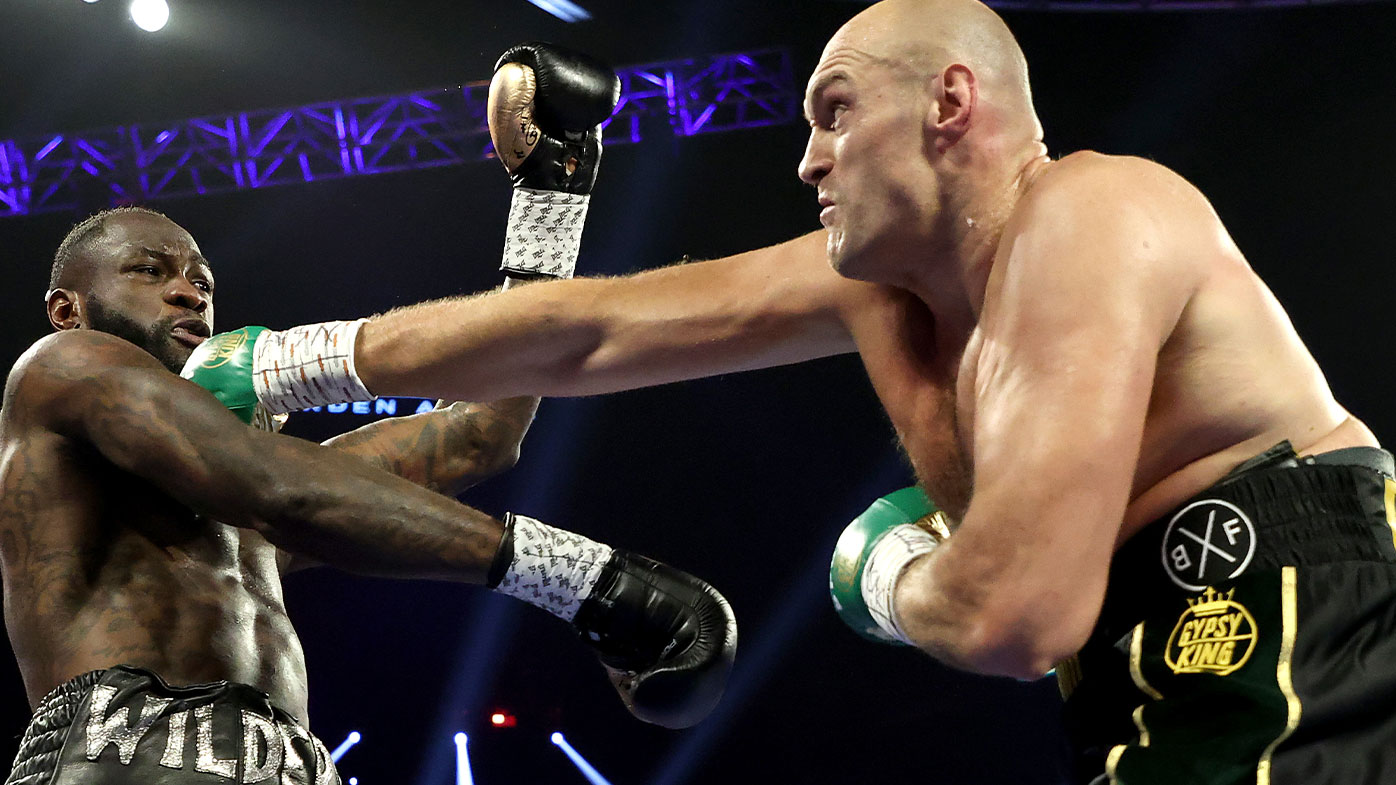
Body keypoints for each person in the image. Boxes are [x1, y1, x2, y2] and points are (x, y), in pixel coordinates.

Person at [189, 2, 1396, 782]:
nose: (807, 156)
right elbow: (588, 332)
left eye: (834, 112)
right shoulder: (883, 286)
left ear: (949, 104)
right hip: (1146, 683)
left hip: (1284, 607)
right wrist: (295, 356)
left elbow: (1010, 617)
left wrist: (883, 568)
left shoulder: (1094, 209)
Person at [0, 43, 737, 785]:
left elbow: (478, 431)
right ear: (70, 308)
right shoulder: (59, 370)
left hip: (289, 760)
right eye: (149, 271)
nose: (190, 293)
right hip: (122, 753)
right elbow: (270, 484)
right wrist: (584, 578)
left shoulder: (255, 500)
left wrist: (550, 199)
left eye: (201, 279)